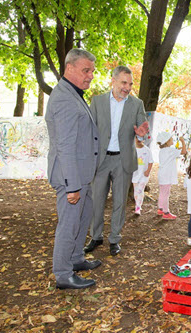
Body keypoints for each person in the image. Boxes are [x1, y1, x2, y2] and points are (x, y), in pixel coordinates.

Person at [45, 48, 101, 290]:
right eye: (85, 70)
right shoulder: (65, 98)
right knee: (69, 224)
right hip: (71, 177)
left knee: (84, 216)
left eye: (92, 71)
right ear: (69, 68)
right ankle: (63, 273)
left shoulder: (74, 93)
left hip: (82, 175)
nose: (90, 76)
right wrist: (72, 186)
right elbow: (65, 145)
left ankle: (76, 258)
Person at [84, 65, 149, 256]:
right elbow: (90, 130)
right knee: (97, 201)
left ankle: (114, 239)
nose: (127, 87)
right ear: (113, 80)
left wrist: (142, 134)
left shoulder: (137, 104)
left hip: (123, 160)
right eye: (123, 82)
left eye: (129, 84)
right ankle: (96, 237)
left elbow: (143, 130)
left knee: (120, 202)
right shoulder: (97, 101)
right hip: (101, 160)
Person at [156, 132, 186, 220]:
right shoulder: (170, 151)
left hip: (162, 175)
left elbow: (175, 152)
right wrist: (183, 142)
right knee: (166, 194)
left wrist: (179, 148)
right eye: (171, 139)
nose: (172, 140)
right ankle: (166, 212)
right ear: (167, 141)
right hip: (167, 176)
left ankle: (160, 208)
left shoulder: (163, 151)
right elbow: (183, 152)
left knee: (162, 192)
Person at [132, 136, 153, 215]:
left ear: (144, 139)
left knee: (140, 190)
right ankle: (137, 204)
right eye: (136, 138)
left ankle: (138, 207)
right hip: (135, 174)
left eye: (140, 138)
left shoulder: (147, 150)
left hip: (143, 175)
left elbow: (151, 162)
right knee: (136, 191)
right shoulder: (132, 149)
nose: (138, 140)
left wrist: (148, 171)